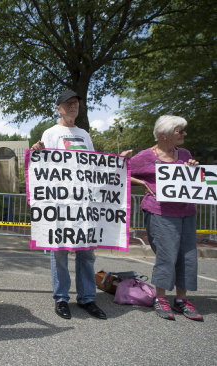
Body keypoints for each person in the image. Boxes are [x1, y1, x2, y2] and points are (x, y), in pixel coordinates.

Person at [31, 89, 131, 320]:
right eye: (68, 104)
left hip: (84, 202)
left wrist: (118, 162)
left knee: (87, 252)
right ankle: (62, 298)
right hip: (61, 202)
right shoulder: (50, 133)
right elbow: (45, 165)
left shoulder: (84, 134)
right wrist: (39, 151)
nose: (73, 107)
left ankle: (87, 298)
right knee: (60, 252)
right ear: (58, 108)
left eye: (75, 103)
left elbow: (94, 166)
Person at [130, 115, 202, 321]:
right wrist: (141, 183)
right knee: (167, 255)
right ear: (164, 135)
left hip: (186, 211)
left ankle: (181, 299)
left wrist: (194, 169)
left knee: (187, 257)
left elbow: (198, 180)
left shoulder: (185, 154)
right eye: (180, 131)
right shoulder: (145, 156)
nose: (184, 134)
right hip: (160, 212)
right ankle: (161, 298)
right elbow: (120, 171)